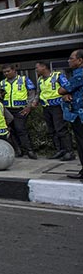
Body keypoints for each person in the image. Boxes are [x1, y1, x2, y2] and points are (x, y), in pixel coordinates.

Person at [35, 61, 74, 161]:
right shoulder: (40, 80)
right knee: (52, 130)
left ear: (44, 67)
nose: (36, 70)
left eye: (37, 68)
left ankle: (69, 152)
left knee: (60, 129)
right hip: (46, 107)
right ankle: (60, 150)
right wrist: (35, 101)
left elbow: (67, 86)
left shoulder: (57, 75)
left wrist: (66, 94)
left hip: (57, 106)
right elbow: (39, 93)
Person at [0, 64, 37, 159]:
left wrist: (29, 106)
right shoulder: (2, 83)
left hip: (20, 109)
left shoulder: (24, 79)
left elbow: (31, 93)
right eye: (4, 72)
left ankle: (29, 150)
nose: (6, 73)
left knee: (20, 129)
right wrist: (0, 95)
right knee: (11, 131)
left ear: (14, 70)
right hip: (7, 109)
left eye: (8, 71)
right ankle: (18, 150)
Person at [59, 49, 83, 180]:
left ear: (80, 60)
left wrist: (66, 92)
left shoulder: (79, 74)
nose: (69, 61)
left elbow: (61, 89)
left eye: (71, 58)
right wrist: (68, 93)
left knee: (81, 143)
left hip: (80, 116)